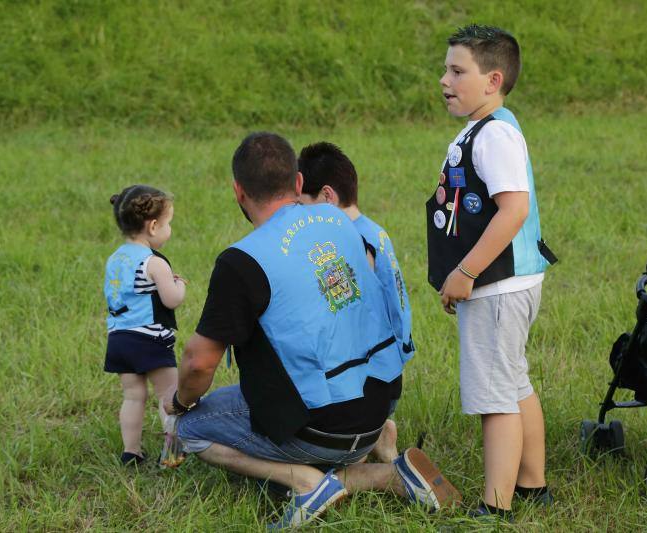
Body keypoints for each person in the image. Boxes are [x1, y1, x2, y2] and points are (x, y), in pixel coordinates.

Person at [165, 132, 461, 528]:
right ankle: (377, 466)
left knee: (193, 429)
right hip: (380, 403)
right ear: (299, 183)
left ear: (238, 191)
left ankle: (307, 480)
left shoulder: (241, 261)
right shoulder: (342, 222)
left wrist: (180, 403)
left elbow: (199, 363)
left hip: (321, 427)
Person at [427, 24, 557, 521]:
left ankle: (496, 506)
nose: (445, 80)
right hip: (505, 282)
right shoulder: (487, 125)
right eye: (445, 68)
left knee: (494, 397)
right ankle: (532, 485)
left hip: (497, 284)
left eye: (458, 71)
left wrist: (464, 272)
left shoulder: (495, 135)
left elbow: (513, 210)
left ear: (493, 79)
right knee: (514, 382)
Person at [298, 141, 414, 463]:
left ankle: (371, 438)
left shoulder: (348, 242)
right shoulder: (373, 230)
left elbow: (342, 315)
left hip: (368, 381)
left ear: (326, 196)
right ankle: (380, 435)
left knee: (330, 466)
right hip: (390, 370)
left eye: (302, 205)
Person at [103, 185, 186, 465]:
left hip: (119, 340)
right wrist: (178, 284)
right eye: (168, 223)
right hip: (149, 339)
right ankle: (173, 452)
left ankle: (131, 451)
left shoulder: (114, 259)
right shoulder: (153, 262)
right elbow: (172, 300)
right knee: (168, 395)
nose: (169, 229)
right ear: (152, 226)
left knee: (133, 396)